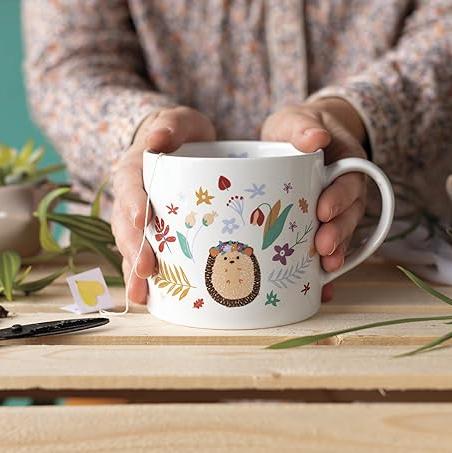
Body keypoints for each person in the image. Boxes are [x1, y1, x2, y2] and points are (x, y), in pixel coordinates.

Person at [23, 1, 452, 304]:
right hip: (127, 270)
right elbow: (68, 61)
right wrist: (143, 131)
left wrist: (351, 115)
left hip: (400, 272)